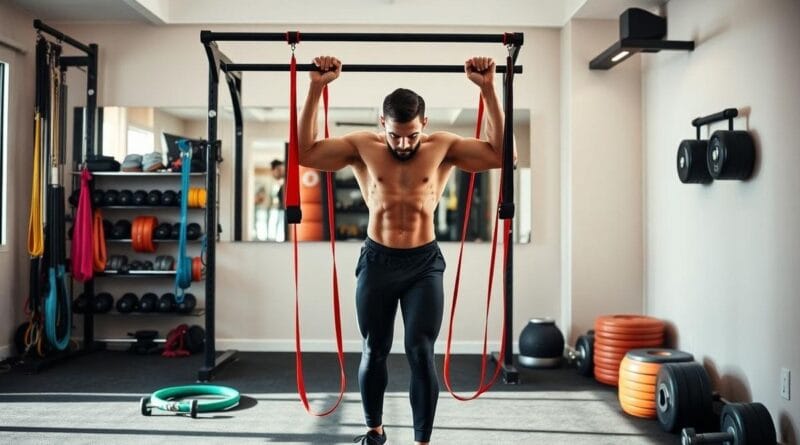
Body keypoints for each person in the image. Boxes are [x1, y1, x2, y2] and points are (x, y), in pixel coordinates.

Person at [298, 55, 516, 445]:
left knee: (420, 350)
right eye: (395, 134)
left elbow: (505, 157)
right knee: (374, 348)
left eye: (411, 135)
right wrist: (316, 87)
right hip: (377, 261)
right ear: (382, 123)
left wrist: (489, 89)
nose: (403, 143)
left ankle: (421, 441)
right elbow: (307, 153)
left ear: (424, 125)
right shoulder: (362, 146)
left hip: (423, 264)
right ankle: (374, 430)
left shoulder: (443, 147)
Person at [266, 159, 286, 241]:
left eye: (273, 172)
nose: (273, 175)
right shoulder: (283, 184)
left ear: (278, 169)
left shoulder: (288, 181)